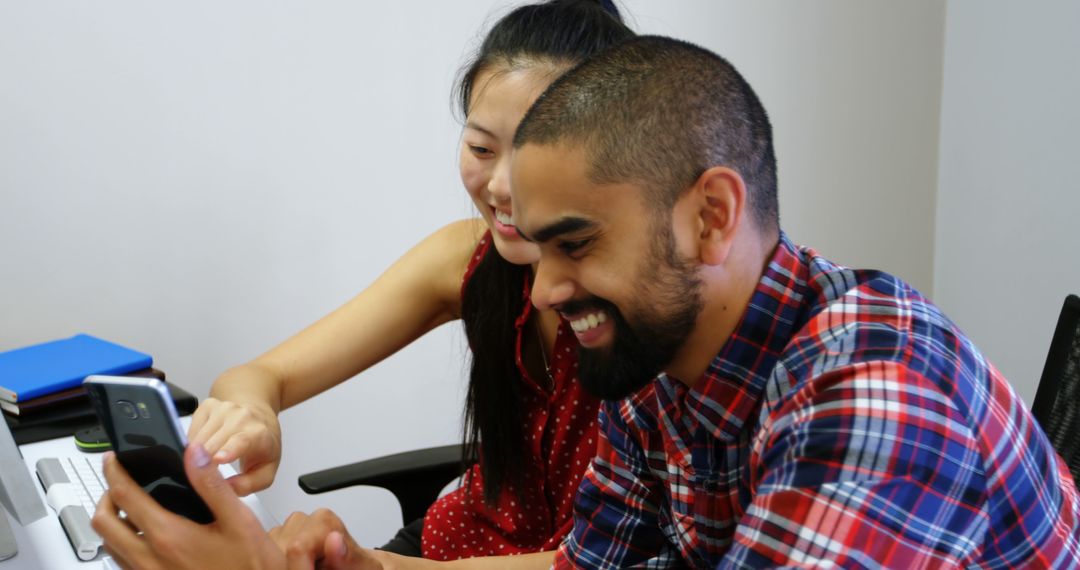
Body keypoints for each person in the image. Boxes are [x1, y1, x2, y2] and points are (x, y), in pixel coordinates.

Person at [90, 1, 633, 568]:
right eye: (479, 148)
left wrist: (374, 565)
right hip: (453, 544)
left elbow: (605, 559)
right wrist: (252, 415)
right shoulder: (466, 258)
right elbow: (258, 376)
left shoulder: (651, 306)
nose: (500, 186)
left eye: (531, 155)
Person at [505, 36, 1080, 567]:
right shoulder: (650, 355)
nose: (544, 291)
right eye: (540, 252)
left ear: (711, 218)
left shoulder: (871, 394)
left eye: (575, 244)